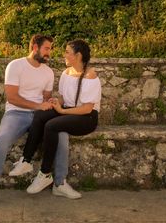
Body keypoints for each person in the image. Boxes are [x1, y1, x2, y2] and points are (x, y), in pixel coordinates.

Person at [0, 34, 70, 208]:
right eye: (47, 48)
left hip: (39, 117)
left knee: (62, 134)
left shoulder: (48, 72)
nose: (50, 52)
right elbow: (12, 97)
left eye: (51, 49)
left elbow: (46, 98)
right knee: (2, 141)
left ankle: (60, 183)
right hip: (16, 114)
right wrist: (37, 106)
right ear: (35, 47)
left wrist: (51, 104)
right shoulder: (15, 66)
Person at [10, 39, 101, 199]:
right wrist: (56, 103)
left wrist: (60, 110)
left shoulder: (90, 75)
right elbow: (64, 100)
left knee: (52, 126)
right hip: (69, 111)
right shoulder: (67, 73)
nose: (63, 54)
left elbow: (87, 108)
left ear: (78, 55)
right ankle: (26, 160)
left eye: (67, 52)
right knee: (40, 114)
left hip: (87, 118)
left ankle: (45, 174)